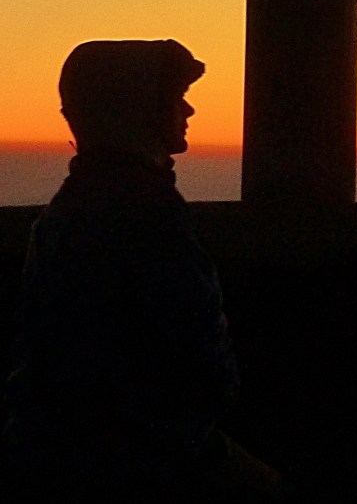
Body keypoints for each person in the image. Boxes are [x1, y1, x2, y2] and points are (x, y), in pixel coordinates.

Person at [2, 39, 283, 501]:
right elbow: (196, 356)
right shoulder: (143, 212)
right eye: (174, 98)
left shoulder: (72, 210)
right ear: (138, 111)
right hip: (139, 458)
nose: (188, 110)